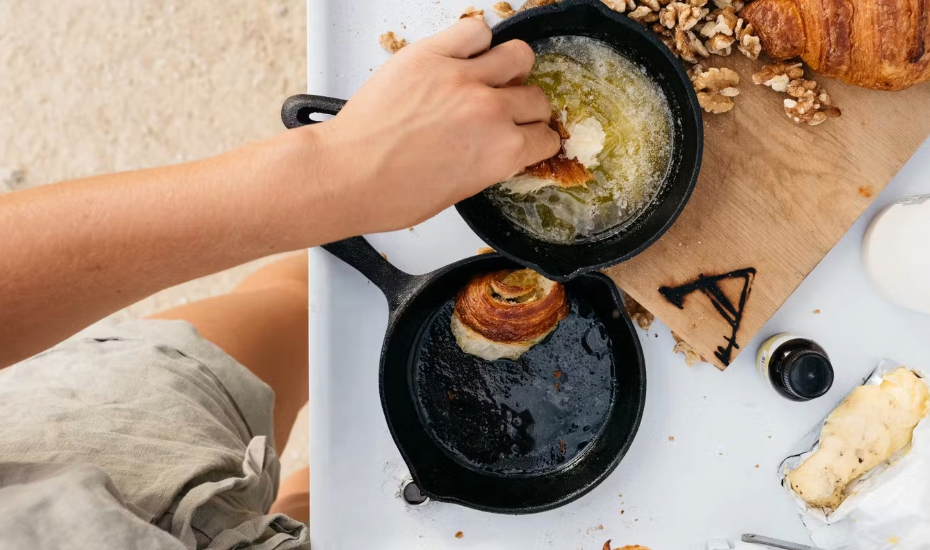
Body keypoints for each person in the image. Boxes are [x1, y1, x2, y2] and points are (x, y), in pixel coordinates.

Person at [0, 19, 557, 550]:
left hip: (96, 440)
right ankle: (301, 496)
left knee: (298, 304)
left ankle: (301, 490)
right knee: (317, 503)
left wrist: (327, 171)